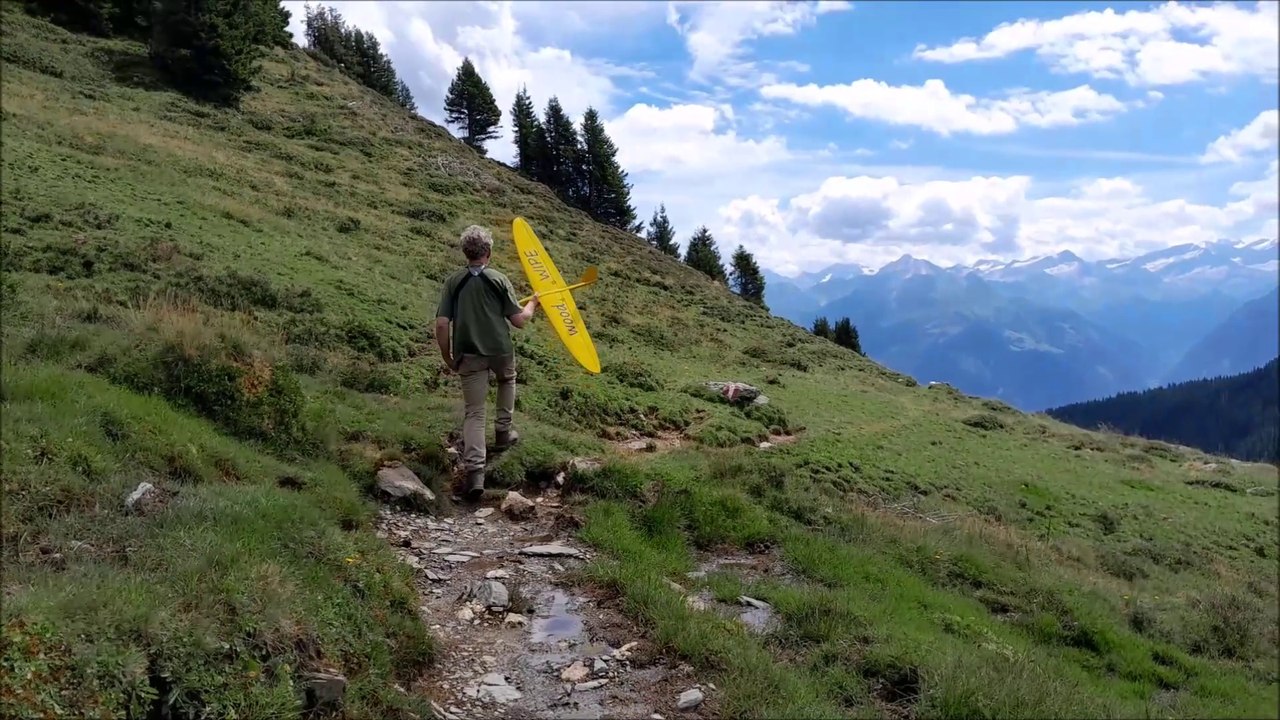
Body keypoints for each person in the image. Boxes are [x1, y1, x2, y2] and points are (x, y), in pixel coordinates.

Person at [435, 225, 539, 501]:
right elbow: (518, 321)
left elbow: (442, 324)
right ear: (489, 252)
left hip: (468, 354)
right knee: (507, 380)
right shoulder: (498, 279)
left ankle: (475, 475)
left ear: (465, 252)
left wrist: (447, 356)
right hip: (500, 350)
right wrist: (532, 305)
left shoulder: (454, 282)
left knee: (474, 412)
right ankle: (503, 432)